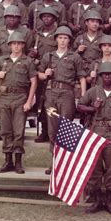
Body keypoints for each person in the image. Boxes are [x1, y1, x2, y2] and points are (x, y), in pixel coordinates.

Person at [77, 62, 111, 214]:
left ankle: (109, 201)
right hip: (95, 130)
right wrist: (93, 108)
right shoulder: (94, 91)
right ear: (100, 76)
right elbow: (80, 106)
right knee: (95, 167)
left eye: (110, 74)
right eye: (104, 74)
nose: (107, 76)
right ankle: (96, 200)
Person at [38, 26, 86, 174]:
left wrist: (83, 97)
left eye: (65, 38)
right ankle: (55, 162)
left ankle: (65, 163)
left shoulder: (75, 57)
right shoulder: (49, 56)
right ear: (56, 39)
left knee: (65, 129)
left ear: (69, 41)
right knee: (52, 130)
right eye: (60, 38)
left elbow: (82, 78)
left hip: (67, 94)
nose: (63, 41)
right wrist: (44, 74)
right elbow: (38, 75)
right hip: (51, 94)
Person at [0, 32, 37, 174]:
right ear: (10, 45)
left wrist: (29, 101)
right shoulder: (2, 59)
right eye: (14, 44)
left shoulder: (27, 61)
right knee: (5, 130)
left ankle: (18, 162)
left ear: (23, 45)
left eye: (19, 43)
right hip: (4, 97)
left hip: (20, 97)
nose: (16, 46)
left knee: (18, 131)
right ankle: (7, 161)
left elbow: (34, 81)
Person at [28, 6, 60, 142]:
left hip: (54, 71)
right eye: (44, 16)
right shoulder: (36, 34)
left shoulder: (58, 33)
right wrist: (32, 54)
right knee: (41, 101)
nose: (47, 18)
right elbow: (29, 48)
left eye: (49, 16)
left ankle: (54, 131)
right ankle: (44, 130)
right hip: (40, 71)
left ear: (54, 19)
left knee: (52, 103)